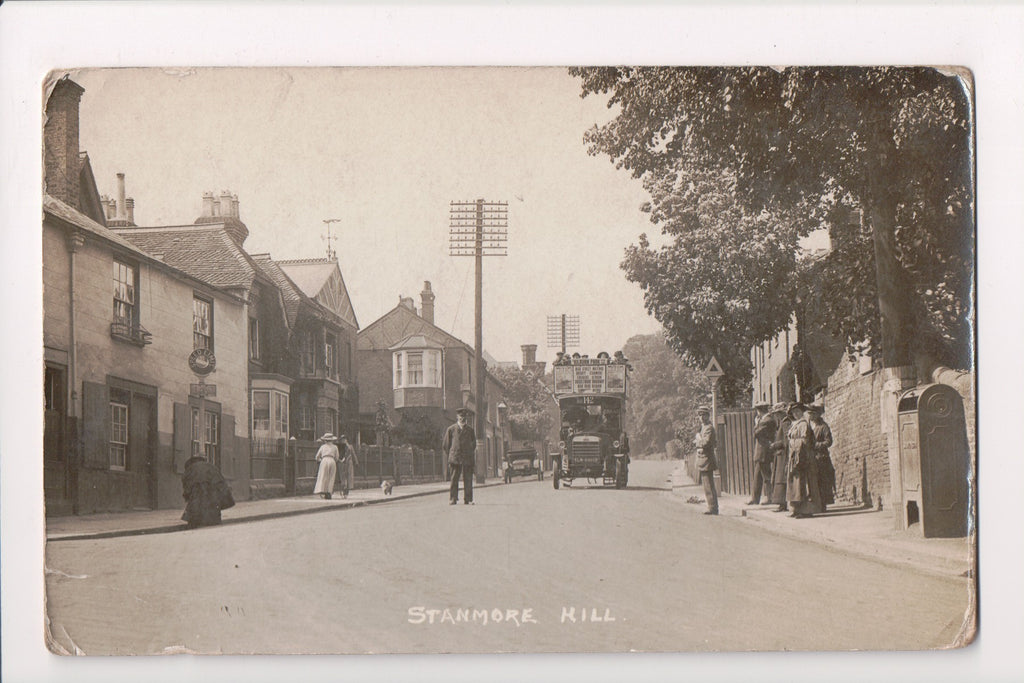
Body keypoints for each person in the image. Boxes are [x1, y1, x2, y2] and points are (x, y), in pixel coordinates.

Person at [786, 403, 820, 518]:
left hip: (803, 456)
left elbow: (805, 440)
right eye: (794, 412)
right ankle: (796, 508)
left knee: (804, 482)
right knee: (795, 483)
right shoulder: (794, 424)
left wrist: (794, 444)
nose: (796, 414)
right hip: (794, 455)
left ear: (802, 412)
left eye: (798, 411)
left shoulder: (804, 424)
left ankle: (806, 510)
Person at [181, 455, 233, 529]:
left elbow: (186, 485)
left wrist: (187, 496)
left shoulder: (190, 469)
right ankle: (213, 522)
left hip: (197, 492)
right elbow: (221, 481)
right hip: (214, 492)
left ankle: (195, 524)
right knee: (213, 508)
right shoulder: (212, 466)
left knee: (196, 508)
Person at [443, 408, 476, 505]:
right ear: (457, 417)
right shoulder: (451, 429)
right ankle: (453, 498)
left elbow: (473, 444)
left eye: (464, 417)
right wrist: (452, 453)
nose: (462, 418)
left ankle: (468, 499)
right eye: (461, 416)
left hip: (467, 457)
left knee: (468, 478)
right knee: (454, 478)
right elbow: (446, 445)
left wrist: (468, 452)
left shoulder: (470, 430)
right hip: (455, 457)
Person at [747, 402, 777, 505]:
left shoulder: (767, 421)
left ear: (760, 410)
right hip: (761, 451)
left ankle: (770, 498)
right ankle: (755, 498)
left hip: (764, 451)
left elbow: (756, 433)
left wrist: (756, 424)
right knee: (757, 476)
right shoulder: (765, 420)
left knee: (766, 476)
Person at [808, 404, 835, 511]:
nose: (810, 416)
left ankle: (823, 504)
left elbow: (829, 442)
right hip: (812, 457)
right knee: (814, 482)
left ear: (817, 414)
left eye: (812, 414)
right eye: (809, 414)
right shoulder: (809, 426)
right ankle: (816, 504)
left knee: (823, 481)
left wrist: (817, 445)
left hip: (822, 458)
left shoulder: (823, 426)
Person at [695, 405, 719, 515]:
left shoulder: (709, 428)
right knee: (706, 485)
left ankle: (713, 507)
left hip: (707, 459)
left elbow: (706, 442)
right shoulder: (703, 427)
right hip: (703, 459)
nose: (701, 417)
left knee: (708, 484)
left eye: (703, 414)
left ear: (708, 415)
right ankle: (711, 506)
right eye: (699, 415)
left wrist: (697, 441)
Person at [768, 402, 791, 512]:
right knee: (778, 478)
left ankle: (783, 503)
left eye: (777, 413)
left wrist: (775, 445)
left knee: (781, 479)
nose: (776, 416)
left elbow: (786, 441)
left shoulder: (786, 423)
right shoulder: (781, 422)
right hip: (779, 455)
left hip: (783, 455)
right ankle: (782, 503)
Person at [313, 432, 340, 500]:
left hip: (324, 460)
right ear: (332, 440)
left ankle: (324, 491)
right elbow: (337, 457)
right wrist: (334, 460)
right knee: (331, 477)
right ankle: (329, 493)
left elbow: (317, 457)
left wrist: (320, 460)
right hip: (332, 460)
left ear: (325, 440)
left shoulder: (323, 447)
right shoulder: (335, 447)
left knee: (324, 476)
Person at [338, 434, 359, 498]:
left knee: (349, 477)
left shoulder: (350, 446)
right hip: (342, 463)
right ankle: (343, 491)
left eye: (344, 439)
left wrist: (356, 462)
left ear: (346, 440)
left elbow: (353, 454)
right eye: (342, 439)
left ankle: (346, 492)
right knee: (342, 478)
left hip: (349, 463)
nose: (343, 440)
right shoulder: (340, 447)